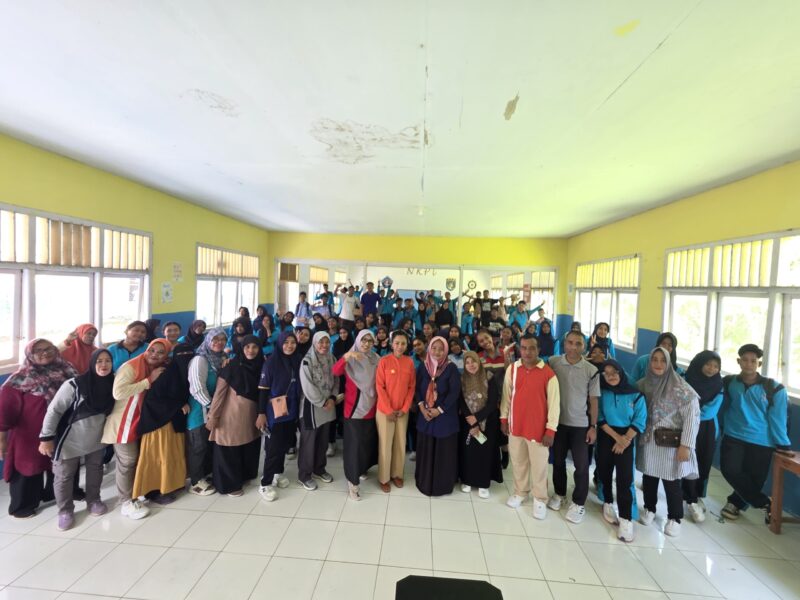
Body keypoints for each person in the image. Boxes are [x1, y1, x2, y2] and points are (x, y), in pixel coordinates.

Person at [0, 339, 77, 518]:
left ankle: (53, 494)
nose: (45, 353)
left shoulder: (67, 369)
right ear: (29, 354)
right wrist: (2, 439)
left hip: (63, 428)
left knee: (61, 464)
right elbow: (5, 410)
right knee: (28, 468)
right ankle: (23, 505)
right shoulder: (20, 378)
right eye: (38, 350)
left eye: (48, 348)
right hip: (29, 436)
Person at [39, 348, 114, 530]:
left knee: (95, 470)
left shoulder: (113, 382)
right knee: (64, 476)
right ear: (92, 363)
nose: (103, 365)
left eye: (107, 361)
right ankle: (65, 511)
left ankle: (94, 500)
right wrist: (46, 437)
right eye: (99, 361)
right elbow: (54, 411)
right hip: (69, 439)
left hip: (96, 437)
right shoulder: (75, 385)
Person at [719, 344, 793, 524]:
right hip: (733, 435)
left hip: (762, 441)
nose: (749, 364)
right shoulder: (729, 382)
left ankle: (734, 503)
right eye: (745, 360)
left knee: (755, 478)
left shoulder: (774, 388)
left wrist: (782, 444)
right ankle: (766, 503)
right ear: (738, 361)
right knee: (730, 470)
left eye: (753, 361)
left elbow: (778, 418)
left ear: (759, 364)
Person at [636, 347, 700, 537]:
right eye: (654, 360)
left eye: (663, 361)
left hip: (672, 444)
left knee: (671, 481)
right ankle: (649, 508)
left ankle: (675, 518)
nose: (658, 364)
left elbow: (692, 418)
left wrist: (686, 445)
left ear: (669, 363)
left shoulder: (682, 389)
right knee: (649, 477)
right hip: (649, 441)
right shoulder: (643, 385)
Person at [104, 339, 171, 520]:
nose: (154, 354)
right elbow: (118, 393)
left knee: (142, 458)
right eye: (152, 350)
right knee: (127, 461)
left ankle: (141, 491)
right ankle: (126, 501)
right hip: (124, 421)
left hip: (144, 420)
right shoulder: (131, 367)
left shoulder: (161, 367)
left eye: (160, 352)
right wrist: (148, 381)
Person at [501, 334, 560, 519]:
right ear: (519, 349)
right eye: (524, 348)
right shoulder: (513, 369)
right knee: (518, 462)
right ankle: (520, 492)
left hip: (538, 430)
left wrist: (551, 430)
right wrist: (504, 419)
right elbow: (506, 396)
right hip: (516, 426)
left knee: (539, 466)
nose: (527, 352)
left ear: (539, 350)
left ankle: (540, 499)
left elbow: (554, 404)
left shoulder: (548, 373)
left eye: (532, 348)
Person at [547, 331, 600, 524]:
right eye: (570, 342)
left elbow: (594, 401)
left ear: (584, 346)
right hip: (558, 423)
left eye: (578, 344)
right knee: (558, 462)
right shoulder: (553, 362)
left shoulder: (591, 369)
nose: (573, 347)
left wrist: (593, 426)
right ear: (564, 343)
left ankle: (578, 503)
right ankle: (560, 493)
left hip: (580, 425)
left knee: (581, 465)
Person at [132, 342, 191, 504]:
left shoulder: (184, 373)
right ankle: (154, 491)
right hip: (158, 425)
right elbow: (153, 400)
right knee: (158, 457)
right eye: (181, 356)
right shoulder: (165, 374)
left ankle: (171, 485)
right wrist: (178, 405)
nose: (185, 359)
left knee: (172, 455)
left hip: (174, 422)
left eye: (189, 355)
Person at [207, 335, 264, 496]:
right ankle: (229, 484)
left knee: (248, 445)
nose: (251, 351)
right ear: (241, 348)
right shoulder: (231, 366)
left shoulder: (261, 365)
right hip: (231, 415)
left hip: (252, 414)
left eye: (255, 347)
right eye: (247, 347)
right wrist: (213, 416)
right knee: (229, 447)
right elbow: (219, 393)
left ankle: (245, 476)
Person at [596, 360, 646, 542]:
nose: (610, 376)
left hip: (627, 437)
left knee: (625, 479)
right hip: (607, 436)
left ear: (621, 372)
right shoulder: (602, 393)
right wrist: (617, 438)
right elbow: (600, 418)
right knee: (605, 471)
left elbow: (640, 420)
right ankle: (608, 502)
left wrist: (624, 440)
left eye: (614, 372)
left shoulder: (636, 395)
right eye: (606, 373)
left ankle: (626, 519)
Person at [333, 330, 380, 500]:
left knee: (366, 443)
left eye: (370, 341)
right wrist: (346, 357)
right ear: (358, 340)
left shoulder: (376, 358)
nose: (366, 344)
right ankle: (353, 482)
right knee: (354, 446)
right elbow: (336, 371)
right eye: (363, 340)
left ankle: (362, 469)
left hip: (372, 407)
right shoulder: (351, 357)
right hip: (354, 409)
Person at [257, 332, 302, 502]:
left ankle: (278, 473)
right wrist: (261, 413)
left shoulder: (297, 360)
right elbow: (262, 390)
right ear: (280, 343)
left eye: (293, 342)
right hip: (274, 412)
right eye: (286, 342)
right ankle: (265, 483)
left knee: (284, 444)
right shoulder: (271, 363)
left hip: (291, 410)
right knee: (273, 448)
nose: (289, 346)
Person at [414, 336, 461, 497]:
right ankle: (424, 481)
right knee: (426, 449)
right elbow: (417, 389)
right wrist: (422, 407)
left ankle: (442, 485)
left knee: (443, 452)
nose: (437, 352)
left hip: (444, 417)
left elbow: (454, 392)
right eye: (434, 348)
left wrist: (439, 410)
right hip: (425, 415)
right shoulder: (423, 367)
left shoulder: (451, 368)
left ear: (446, 350)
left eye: (441, 349)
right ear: (429, 349)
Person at [681, 350, 724, 523]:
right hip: (685, 425)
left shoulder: (719, 385)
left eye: (715, 366)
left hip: (707, 429)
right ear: (699, 363)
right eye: (708, 364)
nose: (711, 369)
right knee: (686, 461)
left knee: (702, 462)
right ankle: (689, 497)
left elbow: (710, 411)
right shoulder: (685, 379)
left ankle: (697, 496)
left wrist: (693, 413)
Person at [186, 328, 228, 496]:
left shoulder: (220, 358)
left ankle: (205, 475)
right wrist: (211, 407)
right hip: (200, 409)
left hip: (213, 409)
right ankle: (195, 482)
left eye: (222, 339)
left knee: (208, 444)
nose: (218, 342)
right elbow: (196, 388)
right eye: (215, 339)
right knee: (198, 445)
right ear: (208, 340)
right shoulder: (200, 360)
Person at [375, 330, 416, 493]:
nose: (400, 346)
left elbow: (411, 387)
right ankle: (384, 478)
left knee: (400, 443)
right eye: (397, 343)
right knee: (385, 445)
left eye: (403, 343)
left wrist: (405, 408)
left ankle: (397, 474)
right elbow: (380, 386)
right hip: (385, 411)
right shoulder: (384, 361)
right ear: (391, 344)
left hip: (402, 412)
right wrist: (388, 409)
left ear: (407, 345)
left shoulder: (410, 362)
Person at [297, 332, 338, 491]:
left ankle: (319, 468)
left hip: (328, 406)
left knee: (322, 440)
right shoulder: (307, 361)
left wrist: (333, 398)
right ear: (314, 343)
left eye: (327, 342)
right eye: (321, 342)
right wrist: (322, 402)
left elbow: (336, 380)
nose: (324, 346)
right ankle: (304, 475)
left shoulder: (331, 359)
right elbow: (307, 386)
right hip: (312, 407)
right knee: (309, 442)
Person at [459, 351, 503, 499]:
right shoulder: (462, 380)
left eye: (474, 362)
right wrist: (470, 419)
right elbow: (461, 402)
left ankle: (483, 483)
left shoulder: (489, 377)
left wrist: (477, 418)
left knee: (484, 451)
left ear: (479, 362)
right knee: (469, 452)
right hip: (468, 422)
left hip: (487, 422)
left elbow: (492, 403)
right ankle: (467, 480)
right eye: (467, 362)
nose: (471, 365)